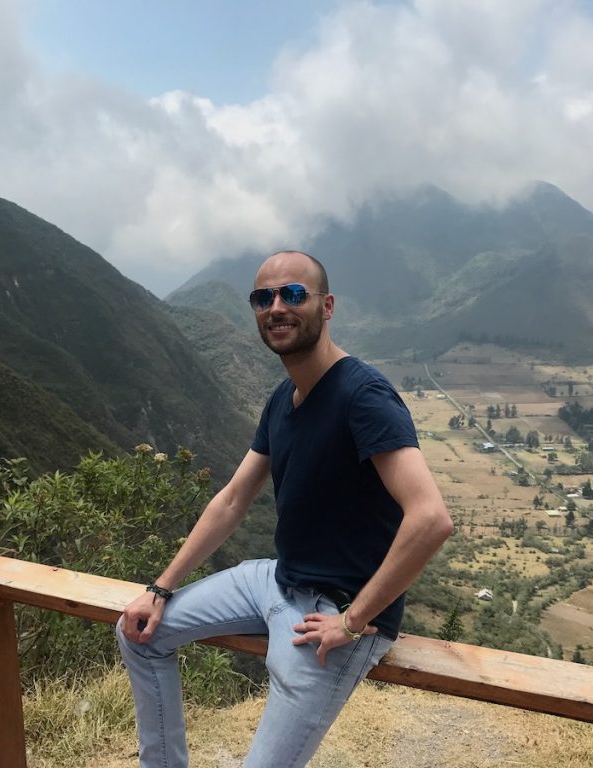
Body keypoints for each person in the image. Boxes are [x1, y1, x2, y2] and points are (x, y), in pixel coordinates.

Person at [117, 250, 453, 768]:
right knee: (139, 633)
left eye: (294, 294)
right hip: (275, 580)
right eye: (263, 297)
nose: (277, 307)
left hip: (332, 613)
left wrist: (353, 620)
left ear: (327, 305)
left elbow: (431, 518)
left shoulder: (362, 395)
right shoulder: (285, 397)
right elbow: (232, 499)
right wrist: (159, 589)